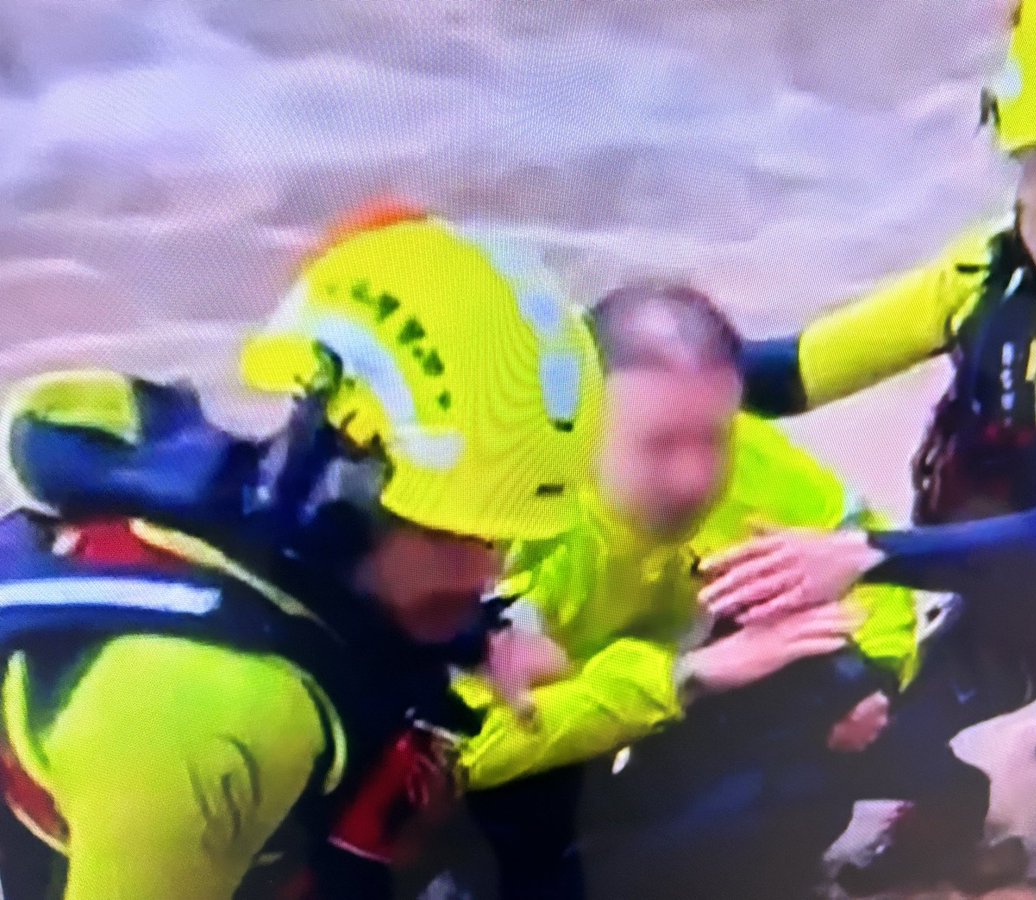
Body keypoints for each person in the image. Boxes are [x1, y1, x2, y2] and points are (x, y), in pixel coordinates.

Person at [715, 0, 1036, 894]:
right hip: (1008, 609)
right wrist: (626, 361)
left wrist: (865, 556)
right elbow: (792, 375)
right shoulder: (980, 274)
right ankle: (952, 816)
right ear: (1010, 147)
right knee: (863, 736)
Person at [0, 206, 603, 899]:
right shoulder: (221, 724)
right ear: (340, 477)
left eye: (495, 536)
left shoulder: (278, 506)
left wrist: (480, 635)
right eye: (445, 534)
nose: (484, 570)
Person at [445, 283, 917, 899]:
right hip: (539, 766)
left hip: (662, 727)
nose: (696, 477)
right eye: (660, 445)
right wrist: (683, 676)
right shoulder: (508, 518)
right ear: (583, 422)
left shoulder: (748, 464)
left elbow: (862, 545)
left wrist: (872, 679)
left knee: (809, 747)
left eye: (713, 437)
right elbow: (460, 753)